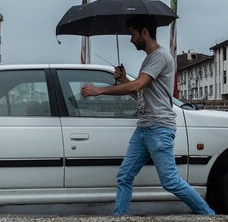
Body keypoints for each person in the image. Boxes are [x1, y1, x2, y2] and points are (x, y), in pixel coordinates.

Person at [81, 15, 215, 216]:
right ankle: (120, 217)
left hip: (159, 128)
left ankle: (209, 215)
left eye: (132, 34)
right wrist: (123, 78)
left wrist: (100, 91)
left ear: (144, 32)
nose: (130, 39)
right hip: (144, 128)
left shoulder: (160, 56)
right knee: (125, 175)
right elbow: (139, 91)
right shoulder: (150, 59)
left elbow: (138, 85)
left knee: (170, 181)